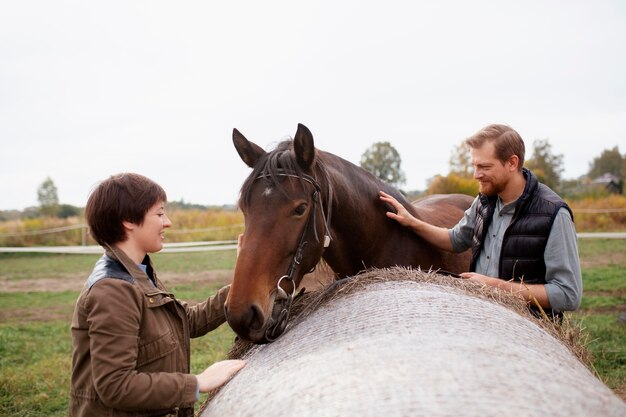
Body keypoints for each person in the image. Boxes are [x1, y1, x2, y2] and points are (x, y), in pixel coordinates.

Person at [70, 173, 245, 417]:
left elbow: (186, 321)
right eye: (160, 213)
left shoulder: (138, 272)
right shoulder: (113, 290)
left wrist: (243, 282)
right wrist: (198, 383)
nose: (168, 222)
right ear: (128, 220)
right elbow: (115, 386)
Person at [379, 124, 582, 318]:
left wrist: (494, 287)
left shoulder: (554, 213)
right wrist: (412, 221)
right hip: (480, 320)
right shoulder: (484, 201)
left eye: (484, 166)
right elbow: (454, 240)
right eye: (475, 166)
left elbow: (568, 295)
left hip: (527, 329)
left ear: (512, 163)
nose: (476, 175)